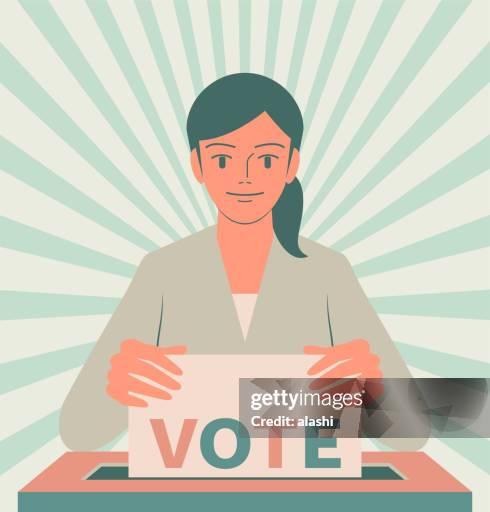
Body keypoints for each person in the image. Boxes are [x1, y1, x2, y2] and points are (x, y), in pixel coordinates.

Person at [60, 73, 428, 450]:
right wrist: (117, 392)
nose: (245, 177)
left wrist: (372, 388)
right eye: (223, 158)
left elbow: (411, 437)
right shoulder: (162, 272)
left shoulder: (328, 273)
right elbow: (77, 432)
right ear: (198, 164)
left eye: (266, 159)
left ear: (290, 165)